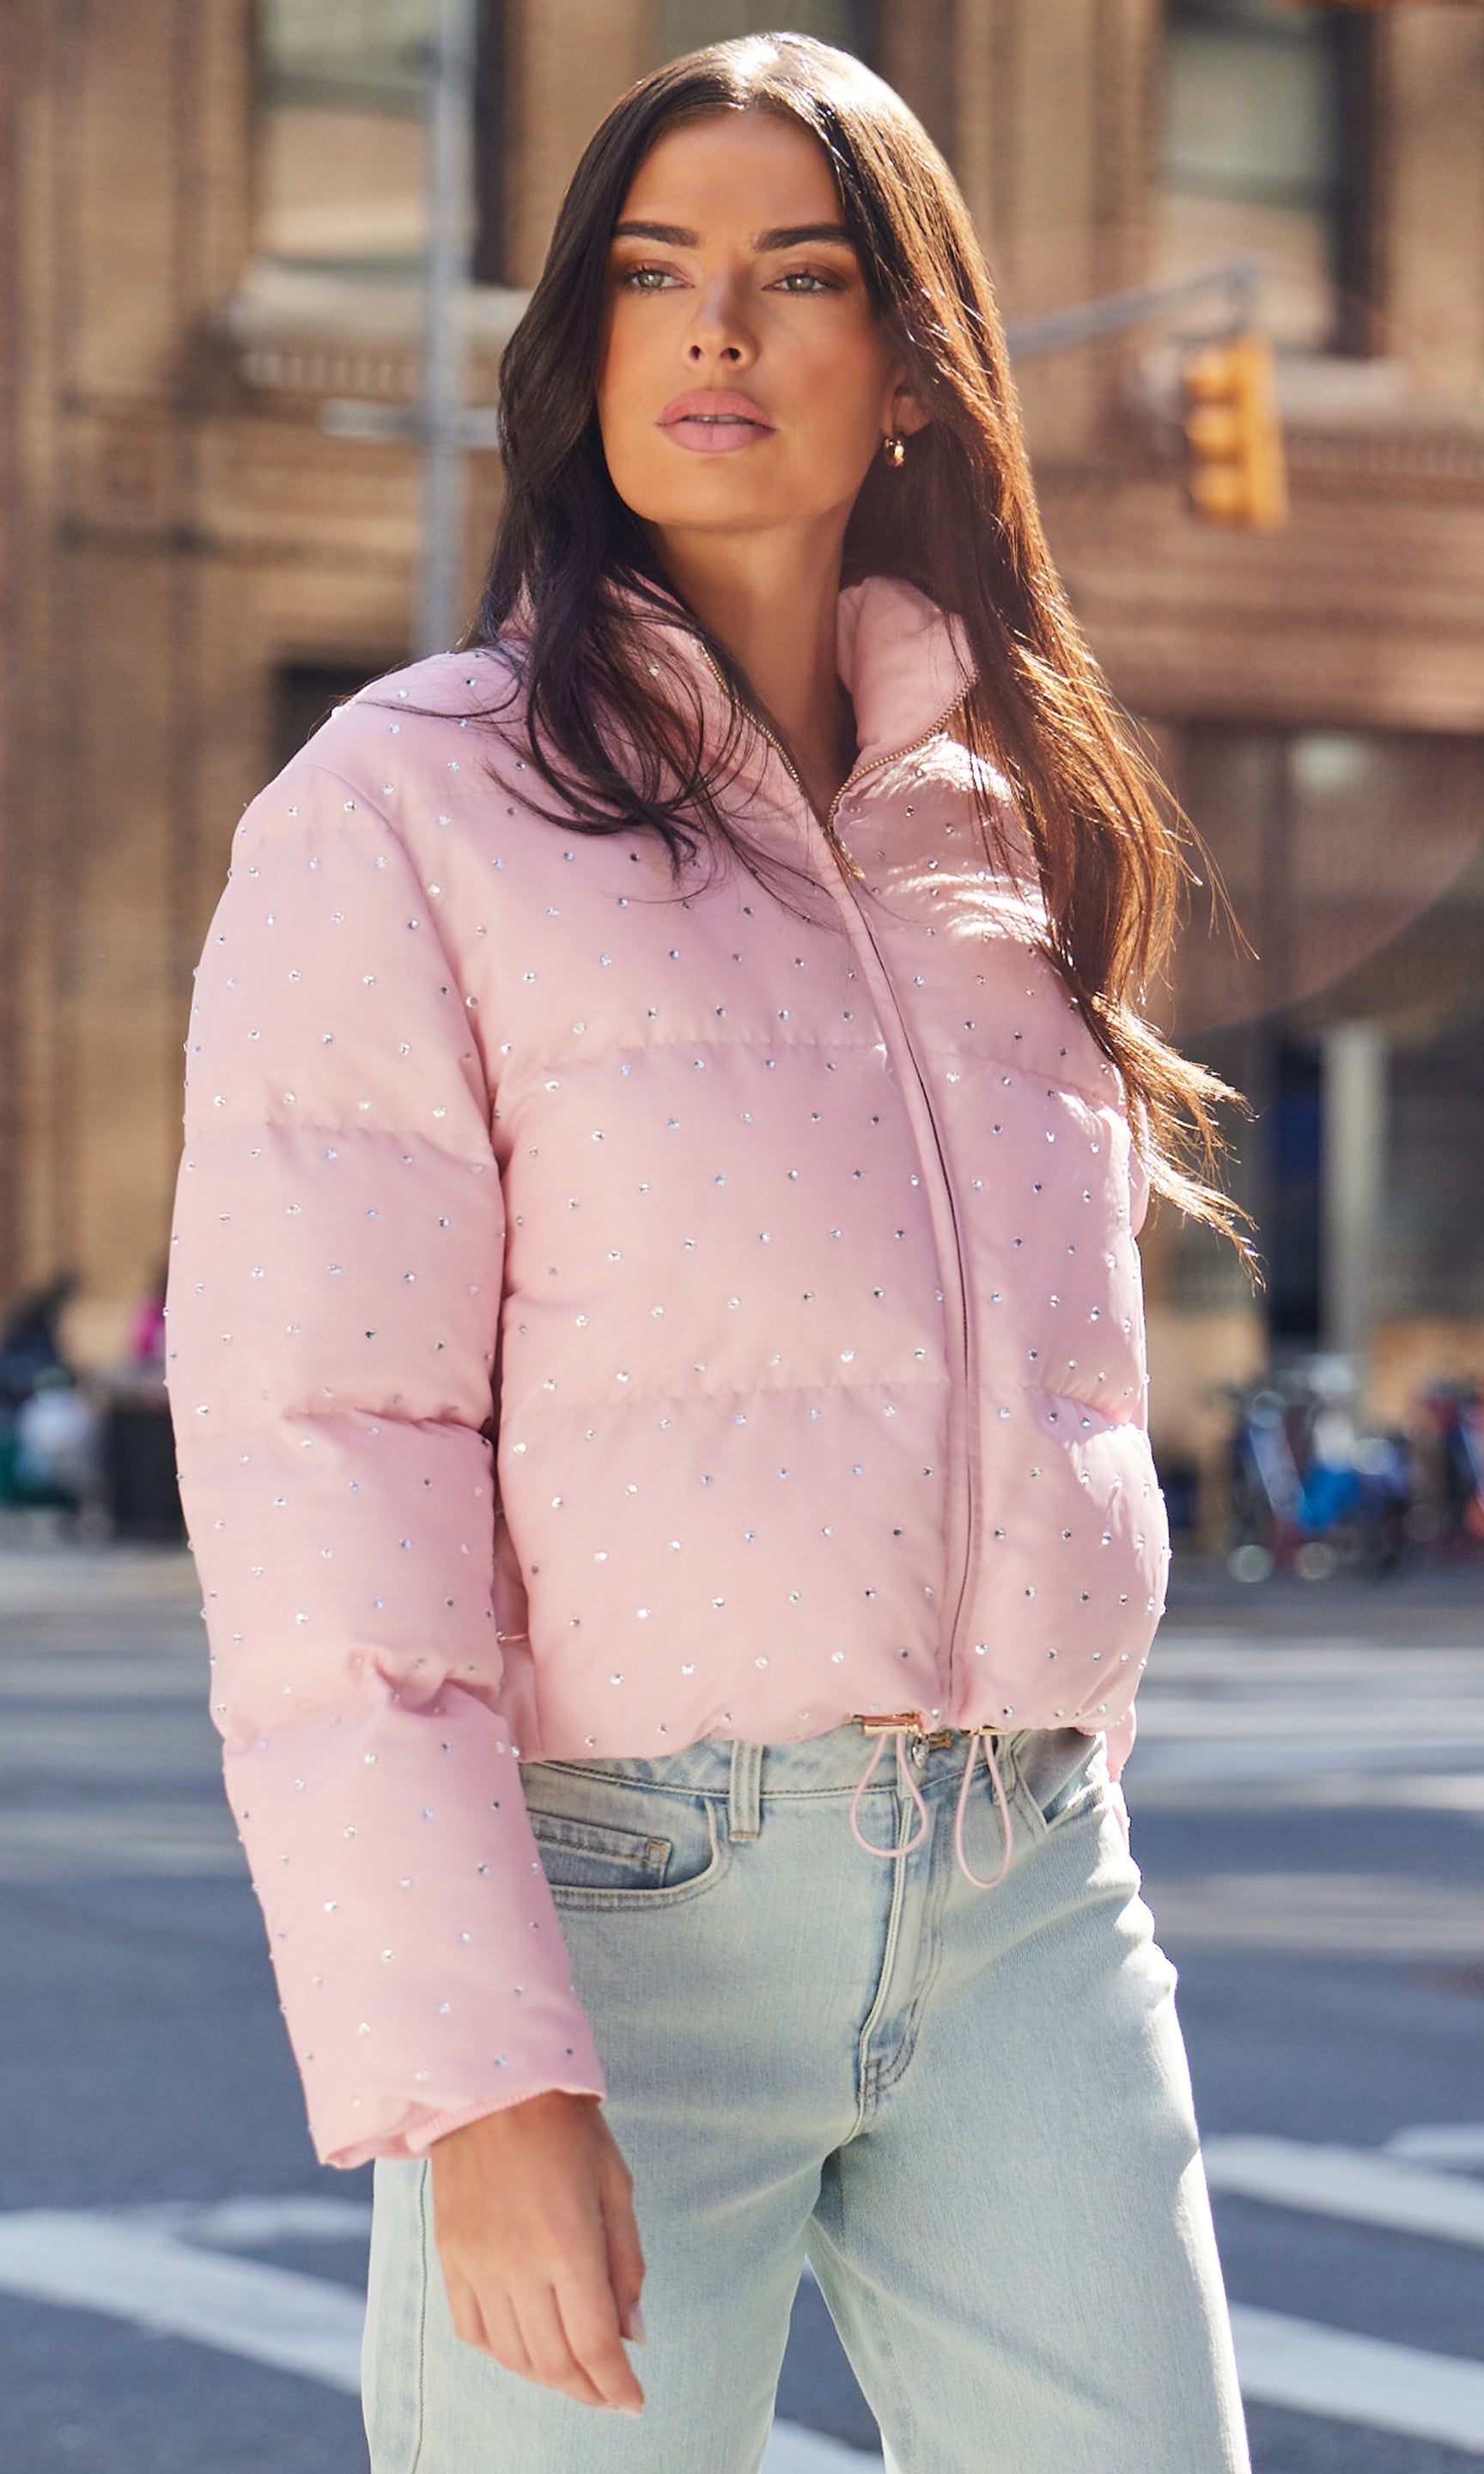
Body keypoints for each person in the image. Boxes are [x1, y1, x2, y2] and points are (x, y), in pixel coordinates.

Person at [166, 34, 1256, 2472]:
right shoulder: (412, 809)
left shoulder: (1015, 824)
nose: (719, 332)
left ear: (910, 375)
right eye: (658, 273)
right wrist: (471, 2077)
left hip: (1025, 1893)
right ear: (587, 348)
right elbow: (323, 1463)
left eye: (799, 275)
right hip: (624, 1914)